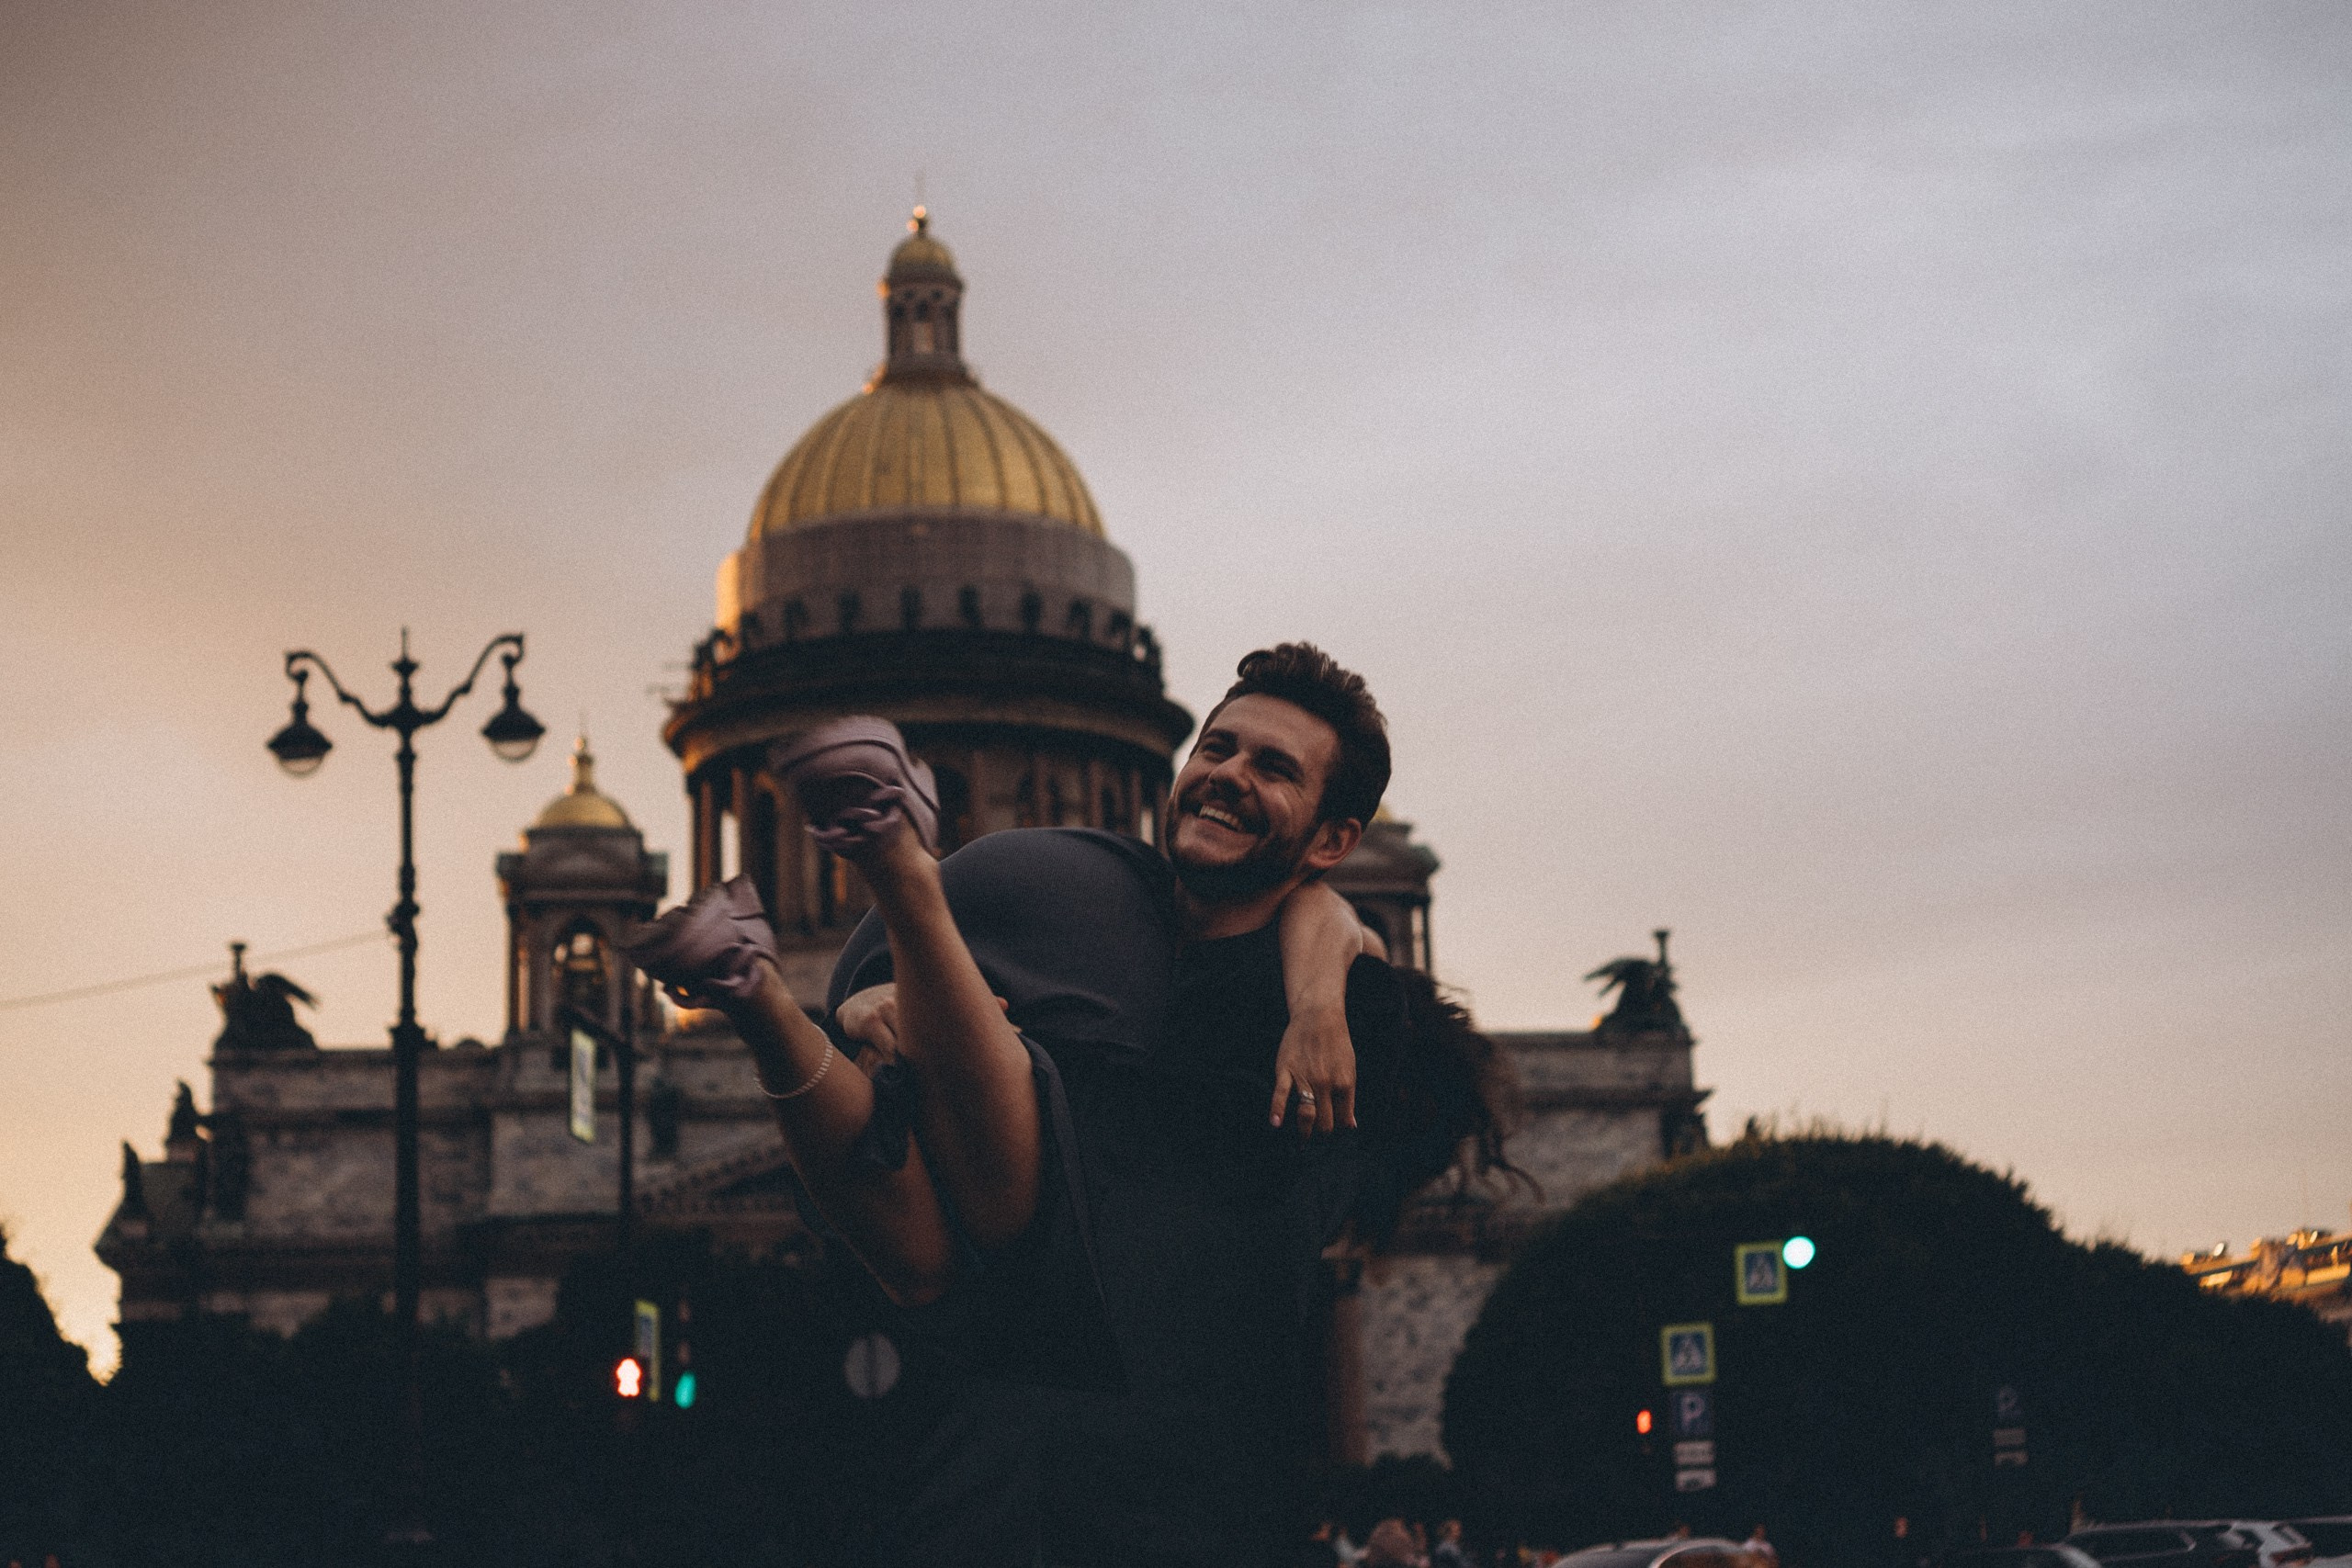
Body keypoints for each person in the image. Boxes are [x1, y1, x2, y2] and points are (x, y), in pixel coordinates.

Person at [629, 644, 1512, 1565]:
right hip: (1004, 1495)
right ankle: (766, 995)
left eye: (1274, 767)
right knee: (924, 1251)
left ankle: (898, 881)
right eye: (1218, 748)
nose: (1228, 775)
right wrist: (870, 1006)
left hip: (1154, 1482)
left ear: (1331, 843)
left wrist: (1322, 991)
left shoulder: (1333, 1012)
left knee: (1015, 1183)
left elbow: (1329, 935)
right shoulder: (1083, 925)